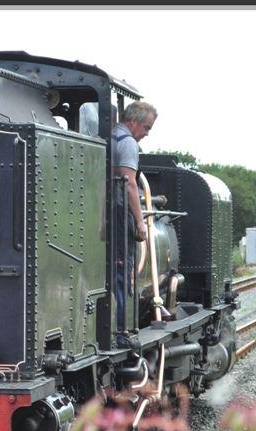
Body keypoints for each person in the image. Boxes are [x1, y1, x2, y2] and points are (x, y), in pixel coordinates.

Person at [112, 100, 157, 342]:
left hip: (105, 213)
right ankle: (121, 329)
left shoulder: (109, 137)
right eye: (147, 128)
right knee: (123, 270)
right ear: (133, 122)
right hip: (119, 212)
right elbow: (129, 185)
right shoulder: (127, 142)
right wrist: (140, 223)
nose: (146, 134)